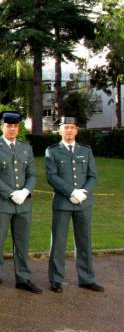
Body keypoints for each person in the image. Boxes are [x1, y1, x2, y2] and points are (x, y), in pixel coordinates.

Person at [0, 111, 41, 295]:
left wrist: (25, 191)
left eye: (15, 126)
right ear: (2, 127)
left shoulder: (26, 148)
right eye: (8, 126)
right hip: (1, 203)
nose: (12, 129)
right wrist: (10, 193)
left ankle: (23, 278)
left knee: (22, 243)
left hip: (23, 203)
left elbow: (32, 174)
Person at [45, 117, 104, 294]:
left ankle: (87, 279)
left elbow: (93, 176)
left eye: (72, 127)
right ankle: (56, 279)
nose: (69, 131)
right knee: (58, 242)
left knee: (84, 241)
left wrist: (83, 192)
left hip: (83, 203)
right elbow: (52, 176)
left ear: (77, 130)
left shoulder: (86, 151)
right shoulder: (52, 151)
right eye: (66, 128)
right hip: (63, 202)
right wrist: (71, 192)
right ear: (59, 131)